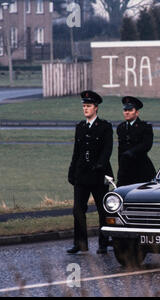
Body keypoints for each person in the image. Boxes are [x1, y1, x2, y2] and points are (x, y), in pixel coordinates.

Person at [67, 90, 113, 255]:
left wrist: (99, 165)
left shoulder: (105, 127)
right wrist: (72, 171)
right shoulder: (80, 127)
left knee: (102, 210)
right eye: (84, 106)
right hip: (82, 174)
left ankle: (103, 243)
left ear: (96, 108)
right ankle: (80, 243)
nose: (85, 109)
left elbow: (107, 150)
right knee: (78, 210)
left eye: (88, 106)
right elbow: (76, 151)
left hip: (99, 174)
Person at [116, 96, 156, 187]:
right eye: (125, 110)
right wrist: (120, 170)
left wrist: (132, 152)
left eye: (130, 110)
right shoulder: (121, 128)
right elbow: (120, 150)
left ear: (137, 112)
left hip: (141, 169)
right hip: (126, 170)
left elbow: (147, 145)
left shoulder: (145, 127)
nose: (127, 112)